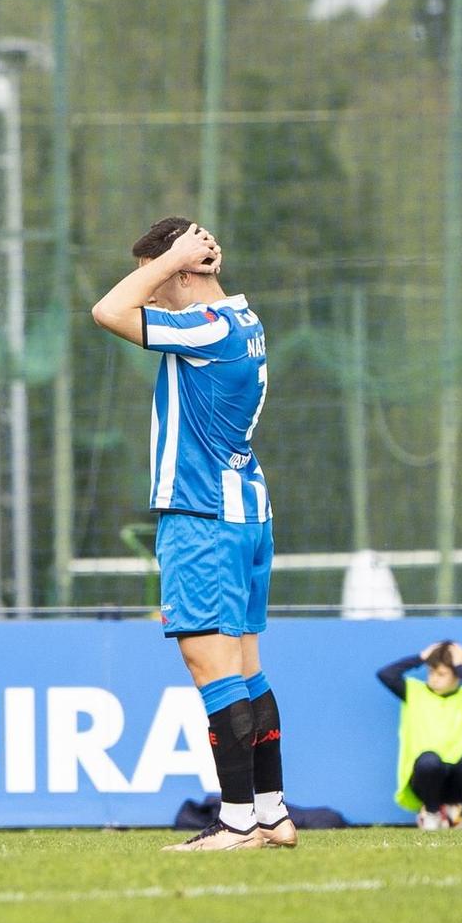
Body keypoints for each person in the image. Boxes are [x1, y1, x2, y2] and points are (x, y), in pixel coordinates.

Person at [92, 218, 291, 851]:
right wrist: (179, 262)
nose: (149, 296)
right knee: (248, 670)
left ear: (180, 271)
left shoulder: (205, 328)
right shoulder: (245, 324)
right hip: (245, 510)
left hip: (202, 515)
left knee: (214, 672)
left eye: (159, 280)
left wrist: (174, 257)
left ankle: (236, 823)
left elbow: (107, 310)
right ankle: (271, 811)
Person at [377, 641, 462, 830]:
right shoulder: (413, 691)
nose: (434, 679)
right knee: (430, 760)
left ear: (456, 676)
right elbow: (386, 675)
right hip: (425, 779)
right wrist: (421, 657)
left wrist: (461, 667)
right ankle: (431, 814)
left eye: (441, 674)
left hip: (458, 782)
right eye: (431, 672)